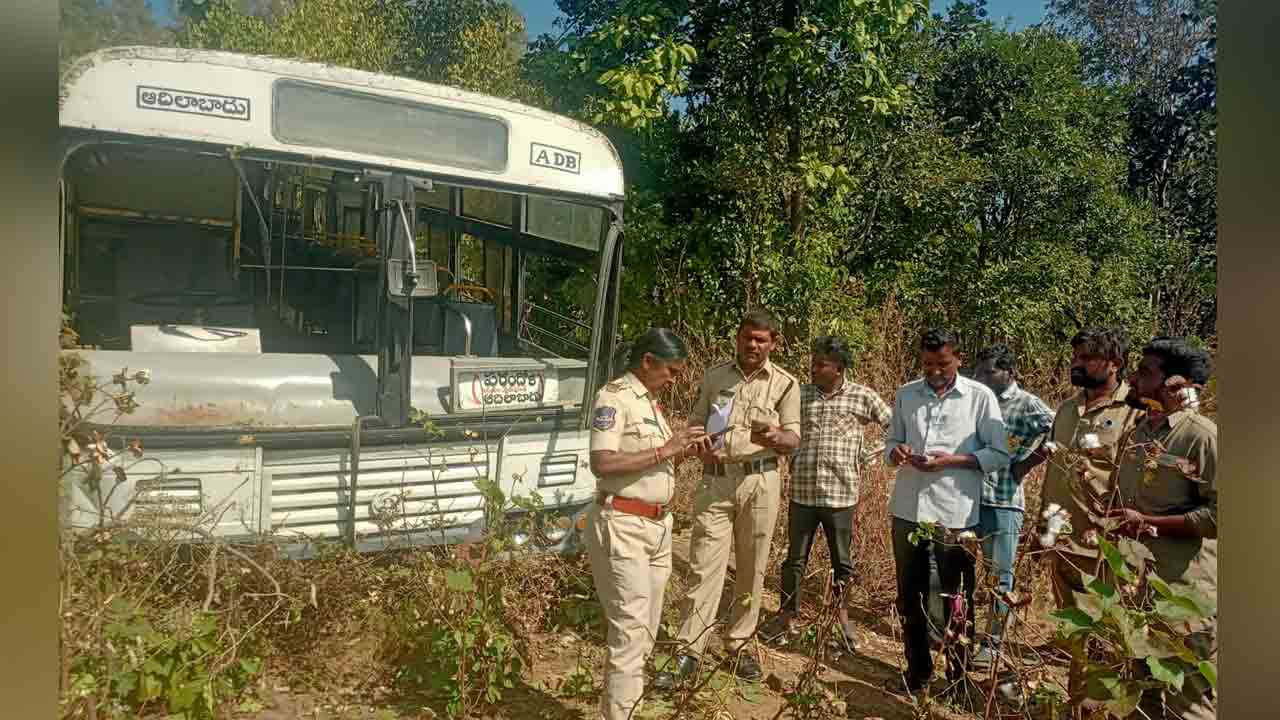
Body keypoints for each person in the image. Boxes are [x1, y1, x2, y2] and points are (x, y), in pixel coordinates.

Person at [654, 309, 802, 689]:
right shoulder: (714, 377)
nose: (753, 345)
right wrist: (698, 439)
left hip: (761, 481)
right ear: (737, 338)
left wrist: (775, 437)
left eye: (761, 340)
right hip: (716, 481)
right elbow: (695, 421)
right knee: (704, 565)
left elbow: (794, 439)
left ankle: (739, 644)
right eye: (747, 337)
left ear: (773, 344)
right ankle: (689, 649)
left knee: (753, 568)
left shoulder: (786, 384)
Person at [585, 328, 710, 720]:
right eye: (671, 370)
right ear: (648, 362)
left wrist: (682, 452)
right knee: (630, 631)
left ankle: (627, 709)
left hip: (657, 529)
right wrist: (665, 448)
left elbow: (653, 464)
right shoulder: (615, 398)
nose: (674, 379)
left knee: (646, 631)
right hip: (623, 525)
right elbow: (602, 463)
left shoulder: (650, 403)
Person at [885, 328, 1009, 694]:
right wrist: (897, 453)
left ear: (958, 359)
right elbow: (891, 442)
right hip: (908, 508)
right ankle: (918, 671)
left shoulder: (979, 397)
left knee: (957, 599)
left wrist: (952, 461)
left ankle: (957, 677)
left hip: (955, 514)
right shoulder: (907, 394)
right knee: (910, 594)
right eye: (927, 364)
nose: (934, 371)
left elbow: (999, 453)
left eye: (942, 363)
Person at [1108, 337, 1217, 720]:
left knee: (1185, 700)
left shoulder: (1201, 436)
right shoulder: (1137, 434)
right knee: (1142, 696)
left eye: (1145, 373)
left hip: (1183, 593)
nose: (1134, 380)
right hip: (1138, 588)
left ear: (1177, 386)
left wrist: (1149, 524)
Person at [762, 335, 892, 647]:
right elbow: (782, 429)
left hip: (840, 495)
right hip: (803, 493)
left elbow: (894, 426)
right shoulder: (800, 395)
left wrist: (867, 455)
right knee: (794, 559)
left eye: (822, 364)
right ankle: (786, 614)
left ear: (840, 368)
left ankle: (841, 616)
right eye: (813, 362)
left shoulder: (862, 397)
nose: (814, 368)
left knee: (841, 562)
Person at [1034, 327, 1140, 609]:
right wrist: (1042, 528)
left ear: (1115, 364)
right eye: (1075, 357)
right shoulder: (1067, 409)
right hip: (1063, 539)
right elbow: (1054, 472)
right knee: (1071, 630)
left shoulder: (1135, 412)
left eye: (1087, 358)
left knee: (1107, 631)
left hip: (1106, 546)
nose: (1076, 363)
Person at [970, 344, 1054, 669]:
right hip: (967, 500)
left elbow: (1058, 429)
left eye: (990, 371)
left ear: (1010, 373)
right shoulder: (975, 401)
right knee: (959, 572)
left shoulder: (1026, 404)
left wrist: (1026, 464)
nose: (982, 377)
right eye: (979, 372)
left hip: (1003, 501)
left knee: (999, 580)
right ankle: (958, 633)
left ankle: (992, 645)